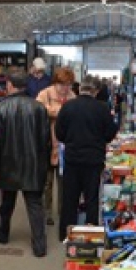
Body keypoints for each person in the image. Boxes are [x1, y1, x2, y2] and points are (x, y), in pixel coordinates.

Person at [0, 67, 52, 257]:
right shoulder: (39, 108)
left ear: (10, 85)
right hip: (33, 165)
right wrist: (44, 164)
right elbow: (45, 139)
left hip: (8, 166)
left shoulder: (0, 109)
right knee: (35, 205)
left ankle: (2, 234)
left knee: (5, 204)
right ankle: (40, 246)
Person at [55, 76, 118, 241]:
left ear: (79, 89)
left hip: (72, 159)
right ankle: (91, 236)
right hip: (94, 160)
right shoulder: (102, 108)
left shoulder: (67, 107)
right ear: (95, 91)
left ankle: (66, 235)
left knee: (69, 199)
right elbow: (110, 134)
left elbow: (59, 133)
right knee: (92, 199)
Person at [36, 67, 77, 226]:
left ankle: (62, 211)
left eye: (68, 85)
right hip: (46, 143)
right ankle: (46, 212)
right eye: (62, 84)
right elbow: (38, 110)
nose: (65, 89)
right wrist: (60, 111)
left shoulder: (72, 96)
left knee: (64, 181)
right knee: (47, 182)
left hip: (65, 145)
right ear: (55, 83)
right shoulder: (45, 93)